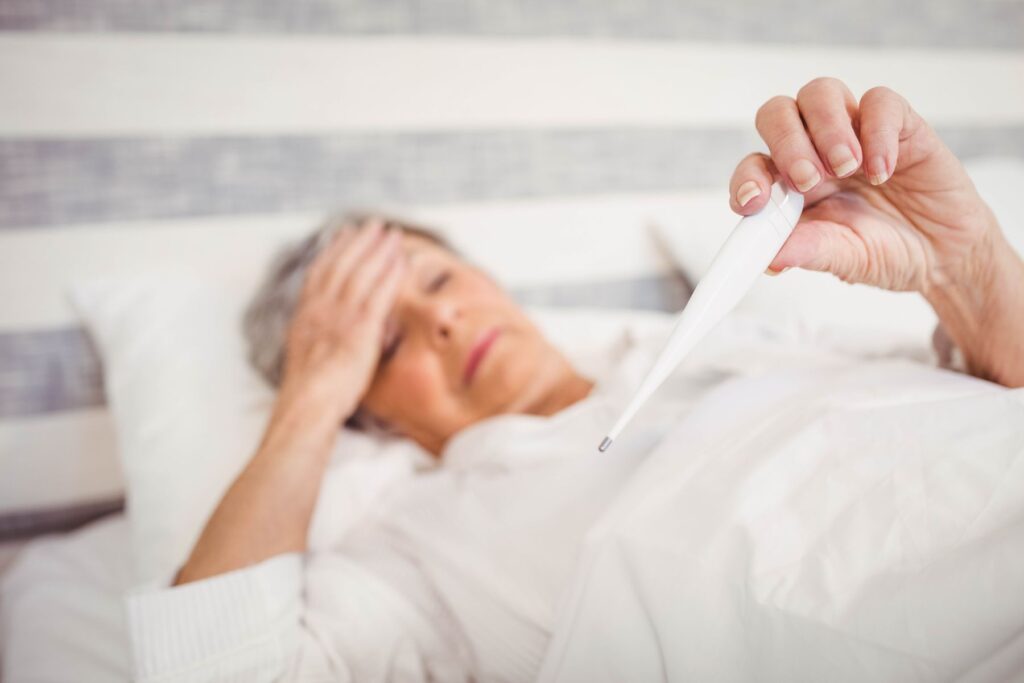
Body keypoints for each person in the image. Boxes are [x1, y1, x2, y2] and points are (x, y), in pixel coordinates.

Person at [125, 79, 1024, 682]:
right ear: (368, 409)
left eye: (437, 281)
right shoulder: (417, 550)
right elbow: (217, 667)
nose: (438, 321)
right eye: (385, 338)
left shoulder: (749, 331)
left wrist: (969, 266)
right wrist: (310, 395)